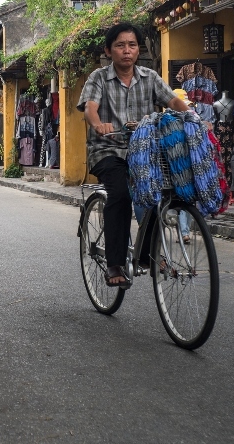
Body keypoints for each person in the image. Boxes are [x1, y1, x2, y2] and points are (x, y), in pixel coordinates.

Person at [78, 23, 188, 289]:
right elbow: (90, 108)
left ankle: (150, 255)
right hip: (107, 149)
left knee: (158, 195)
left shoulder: (149, 77)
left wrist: (191, 117)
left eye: (132, 45)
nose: (127, 51)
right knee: (121, 195)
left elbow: (172, 101)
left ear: (138, 50)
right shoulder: (98, 78)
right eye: (120, 45)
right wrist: (98, 124)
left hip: (144, 151)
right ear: (109, 50)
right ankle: (115, 262)